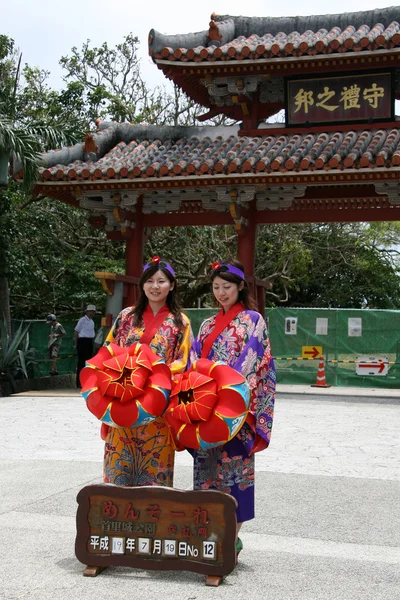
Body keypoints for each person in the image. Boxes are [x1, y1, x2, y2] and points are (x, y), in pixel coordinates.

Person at [189, 259, 276, 560]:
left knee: (234, 474)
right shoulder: (207, 325)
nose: (221, 293)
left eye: (227, 287)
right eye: (215, 287)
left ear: (241, 287)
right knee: (206, 473)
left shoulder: (254, 320)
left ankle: (231, 541)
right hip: (206, 409)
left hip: (236, 410)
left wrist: (226, 394)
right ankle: (208, 539)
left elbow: (254, 362)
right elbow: (194, 363)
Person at [103, 256, 193, 487]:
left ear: (171, 285)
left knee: (155, 474)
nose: (155, 286)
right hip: (123, 398)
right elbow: (107, 352)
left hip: (157, 404)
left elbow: (183, 362)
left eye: (161, 281)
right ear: (142, 284)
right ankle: (116, 520)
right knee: (118, 473)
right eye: (150, 281)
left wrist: (150, 377)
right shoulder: (125, 317)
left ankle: (153, 520)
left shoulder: (180, 322)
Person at [74, 304, 96, 388]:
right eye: (90, 311)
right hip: (82, 341)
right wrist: (76, 344)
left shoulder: (92, 322)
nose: (92, 313)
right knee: (81, 362)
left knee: (88, 362)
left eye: (93, 312)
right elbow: (76, 331)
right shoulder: (82, 320)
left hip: (89, 341)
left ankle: (86, 381)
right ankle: (79, 382)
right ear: (87, 311)